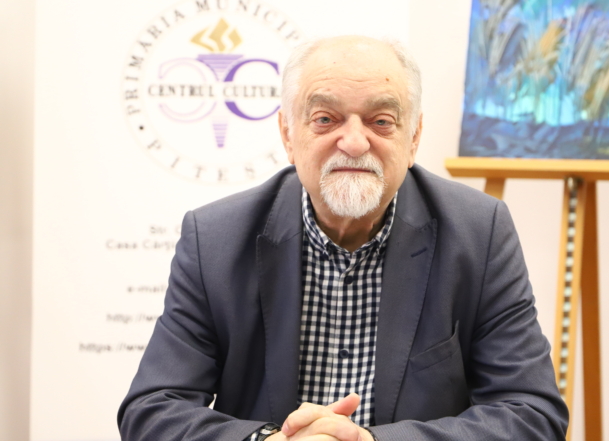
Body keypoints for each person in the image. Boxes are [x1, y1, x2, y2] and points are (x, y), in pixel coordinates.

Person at [118, 35, 568, 441]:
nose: (354, 142)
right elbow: (152, 411)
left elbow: (532, 414)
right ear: (288, 134)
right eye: (325, 118)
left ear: (414, 138)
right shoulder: (215, 238)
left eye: (382, 121)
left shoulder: (479, 232)